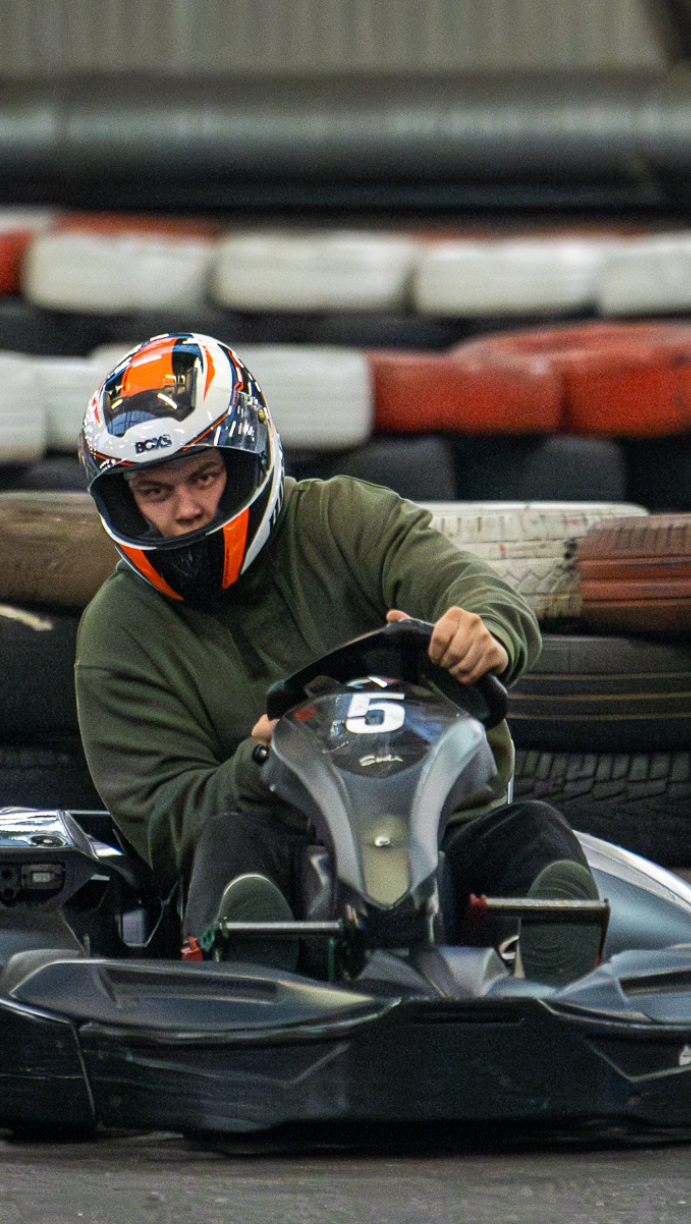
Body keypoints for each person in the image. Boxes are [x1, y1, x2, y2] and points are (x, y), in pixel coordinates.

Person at [72, 332, 602, 983]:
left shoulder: (344, 520)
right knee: (227, 846)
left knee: (535, 831)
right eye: (155, 492)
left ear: (249, 458)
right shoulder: (119, 631)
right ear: (123, 502)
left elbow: (472, 589)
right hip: (280, 854)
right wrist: (260, 764)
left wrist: (484, 631)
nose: (186, 510)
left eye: (205, 477)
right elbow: (163, 822)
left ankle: (556, 983)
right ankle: (248, 983)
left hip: (440, 836)